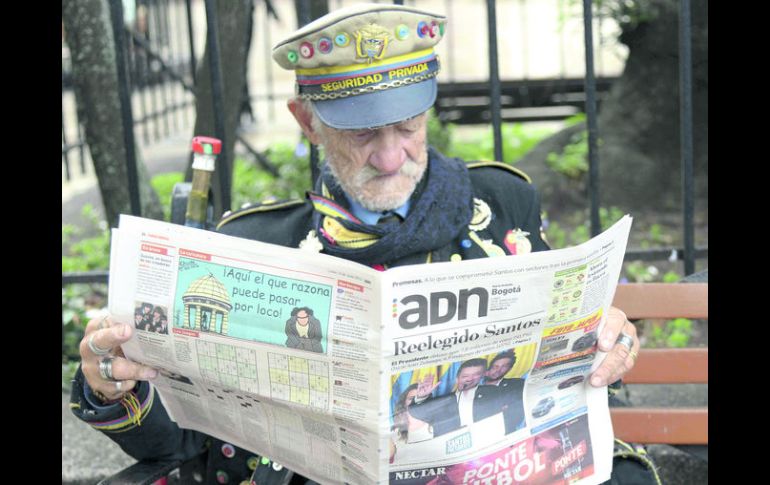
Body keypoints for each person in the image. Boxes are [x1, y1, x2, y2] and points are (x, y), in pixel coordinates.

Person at [70, 4, 641, 484]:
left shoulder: (502, 203)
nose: (391, 156)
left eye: (409, 126)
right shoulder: (250, 244)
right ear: (307, 121)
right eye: (363, 133)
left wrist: (603, 343)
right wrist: (111, 385)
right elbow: (179, 443)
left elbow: (559, 372)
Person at [406, 359, 507, 437]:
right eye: (465, 376)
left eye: (476, 375)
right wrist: (422, 396)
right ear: (457, 379)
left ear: (482, 376)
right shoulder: (443, 401)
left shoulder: (492, 392)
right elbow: (416, 413)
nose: (469, 379)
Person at [483, 350, 527, 434]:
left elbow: (516, 414)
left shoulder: (517, 384)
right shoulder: (474, 388)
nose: (498, 370)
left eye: (504, 367)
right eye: (495, 366)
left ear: (509, 369)